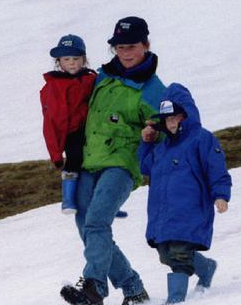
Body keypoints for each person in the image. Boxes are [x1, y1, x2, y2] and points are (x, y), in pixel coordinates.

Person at [60, 17, 165, 305]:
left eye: (131, 46)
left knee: (96, 222)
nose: (125, 53)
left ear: (146, 45)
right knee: (88, 226)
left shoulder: (153, 89)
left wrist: (153, 131)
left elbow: (167, 126)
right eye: (119, 47)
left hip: (121, 164)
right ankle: (133, 288)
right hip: (88, 161)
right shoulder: (101, 77)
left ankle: (93, 286)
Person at [138, 83, 232, 304]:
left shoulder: (201, 138)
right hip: (163, 212)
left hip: (191, 209)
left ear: (185, 115)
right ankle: (206, 268)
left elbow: (216, 168)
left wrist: (220, 195)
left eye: (175, 117)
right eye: (166, 119)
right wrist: (147, 143)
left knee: (180, 256)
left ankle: (175, 300)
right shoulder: (161, 148)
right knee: (166, 254)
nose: (170, 123)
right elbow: (145, 167)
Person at [41, 34, 96, 214]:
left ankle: (101, 201)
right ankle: (68, 199)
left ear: (84, 59)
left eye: (76, 58)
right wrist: (56, 154)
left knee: (98, 162)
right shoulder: (53, 87)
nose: (72, 63)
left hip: (92, 129)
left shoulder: (91, 79)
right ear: (59, 62)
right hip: (71, 133)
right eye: (67, 59)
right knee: (74, 160)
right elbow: (51, 122)